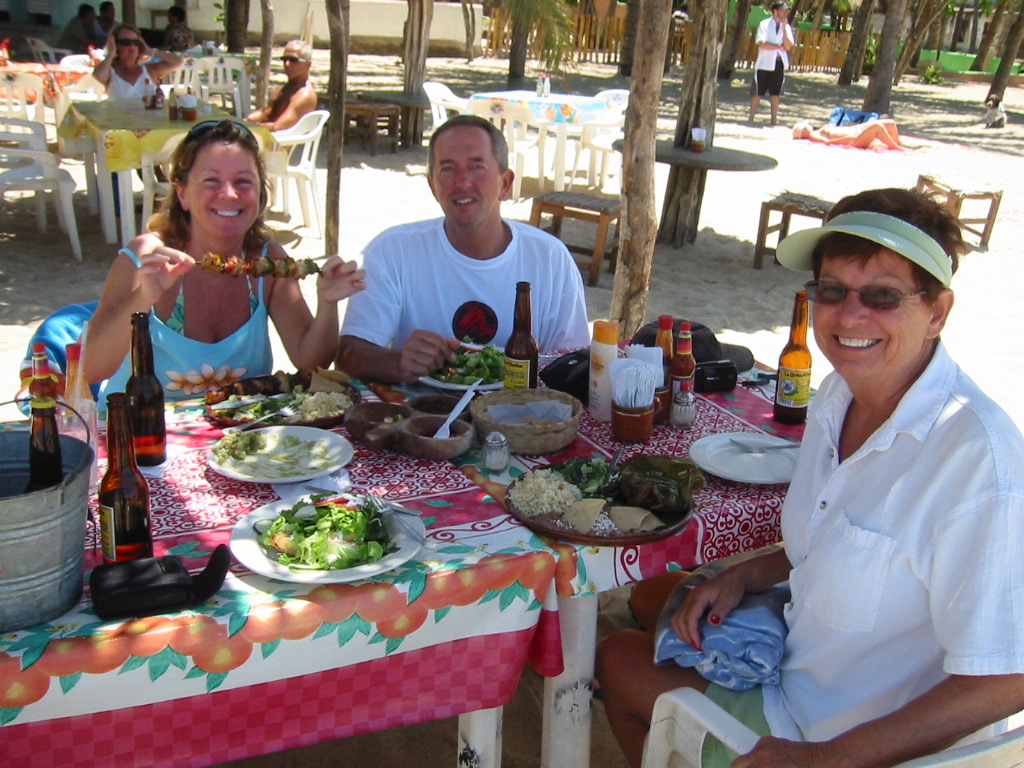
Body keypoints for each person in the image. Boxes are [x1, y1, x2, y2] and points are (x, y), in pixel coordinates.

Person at [595, 187, 1024, 768]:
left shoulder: (977, 462)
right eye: (832, 291)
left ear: (938, 312)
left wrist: (830, 757)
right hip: (796, 668)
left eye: (882, 296)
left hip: (843, 736)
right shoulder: (837, 395)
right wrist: (747, 573)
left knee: (619, 657)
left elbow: (1004, 679)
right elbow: (843, 540)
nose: (850, 316)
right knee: (659, 597)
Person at [84, 120, 367, 400]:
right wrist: (144, 297)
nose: (229, 194)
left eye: (244, 181)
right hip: (138, 435)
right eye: (211, 181)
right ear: (182, 193)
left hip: (233, 438)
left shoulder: (268, 260)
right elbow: (89, 369)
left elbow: (310, 364)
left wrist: (328, 305)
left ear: (260, 194)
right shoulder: (144, 258)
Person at [336, 114, 590, 383]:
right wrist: (397, 362)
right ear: (432, 185)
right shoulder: (392, 251)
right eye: (447, 168)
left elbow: (573, 359)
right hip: (419, 417)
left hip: (521, 415)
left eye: (477, 166)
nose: (462, 182)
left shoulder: (549, 257)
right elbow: (349, 354)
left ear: (505, 183)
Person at [93, 24, 183, 101]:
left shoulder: (149, 70)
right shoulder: (111, 72)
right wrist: (111, 53)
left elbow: (178, 61)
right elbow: (98, 75)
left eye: (136, 42)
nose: (132, 46)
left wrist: (149, 51)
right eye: (126, 42)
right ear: (116, 45)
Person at [244, 40, 318, 133]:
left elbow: (278, 127)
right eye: (285, 59)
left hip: (275, 144)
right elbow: (265, 112)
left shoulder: (304, 95)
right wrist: (246, 121)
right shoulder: (287, 88)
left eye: (293, 60)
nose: (287, 64)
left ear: (308, 64)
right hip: (263, 136)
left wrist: (251, 128)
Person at [749, 0, 794, 126]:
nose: (785, 13)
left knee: (776, 93)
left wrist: (784, 29)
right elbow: (762, 43)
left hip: (779, 62)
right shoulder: (764, 24)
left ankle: (774, 119)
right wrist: (778, 46)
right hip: (764, 62)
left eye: (786, 11)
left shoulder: (786, 27)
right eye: (782, 10)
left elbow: (789, 45)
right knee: (757, 92)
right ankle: (751, 117)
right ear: (775, 11)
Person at [792, 118, 912, 151]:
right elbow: (828, 142)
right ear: (803, 132)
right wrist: (847, 139)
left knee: (890, 123)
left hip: (856, 130)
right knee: (878, 127)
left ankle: (895, 143)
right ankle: (896, 147)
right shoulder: (813, 135)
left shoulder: (816, 131)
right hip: (855, 138)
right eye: (805, 127)